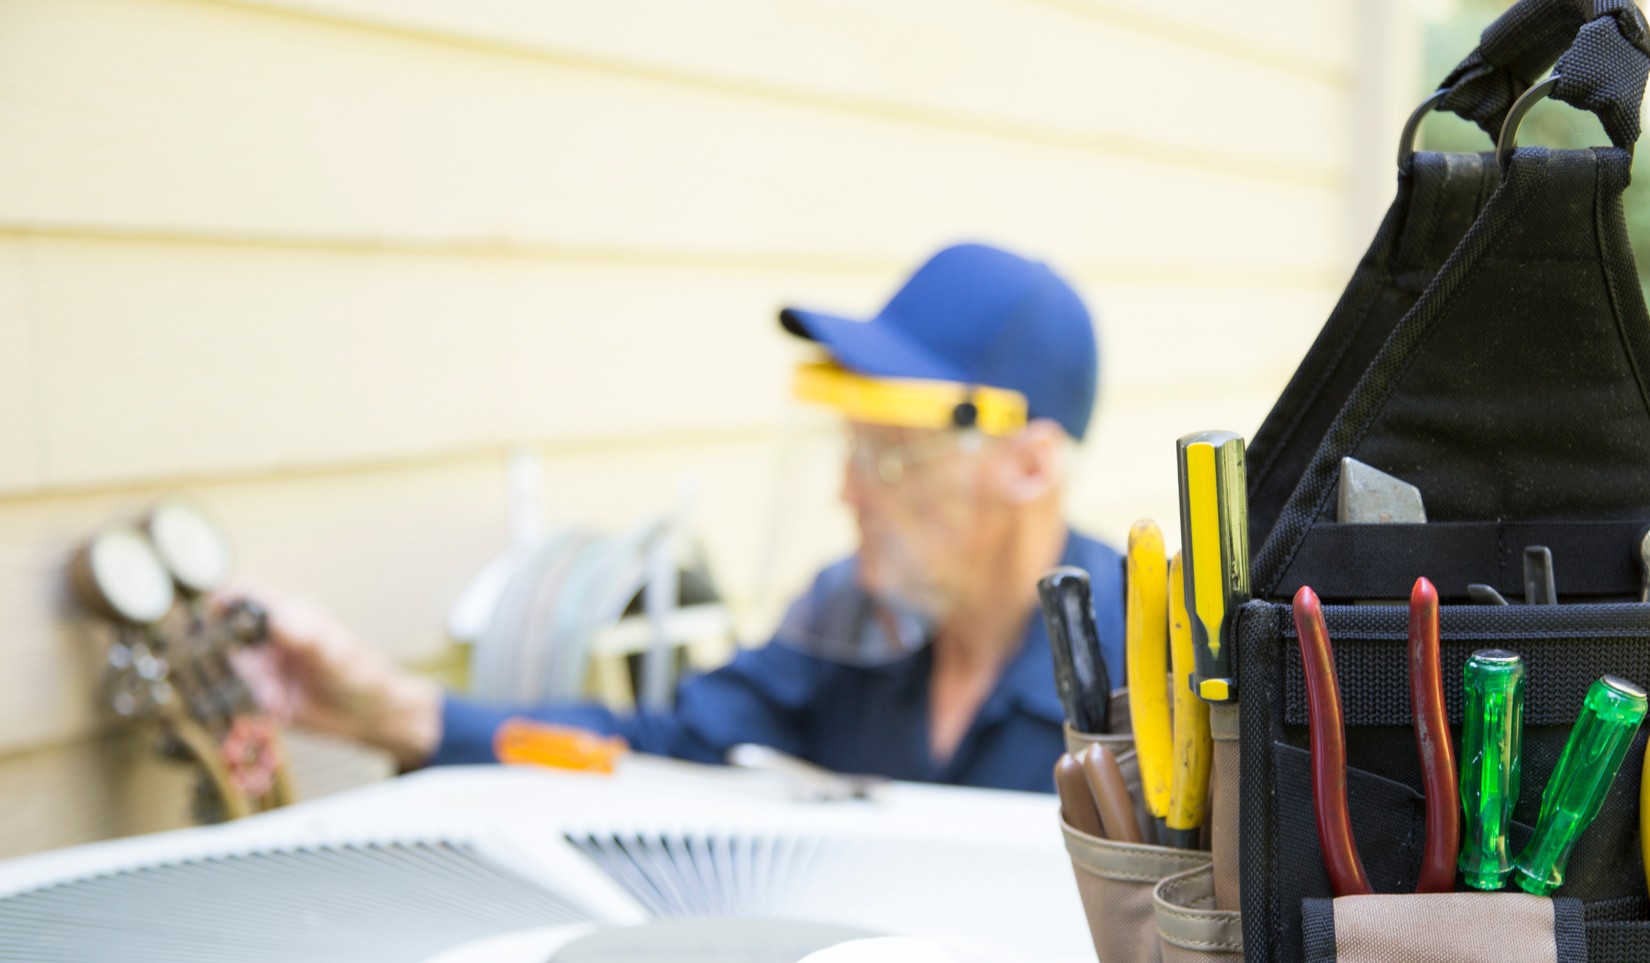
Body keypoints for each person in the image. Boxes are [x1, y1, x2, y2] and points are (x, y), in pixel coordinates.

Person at [240, 243, 1124, 793]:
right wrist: (392, 710)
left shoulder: (1157, 664)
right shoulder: (852, 619)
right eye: (853, 450)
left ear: (1030, 463)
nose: (850, 493)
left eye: (893, 457)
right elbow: (657, 754)